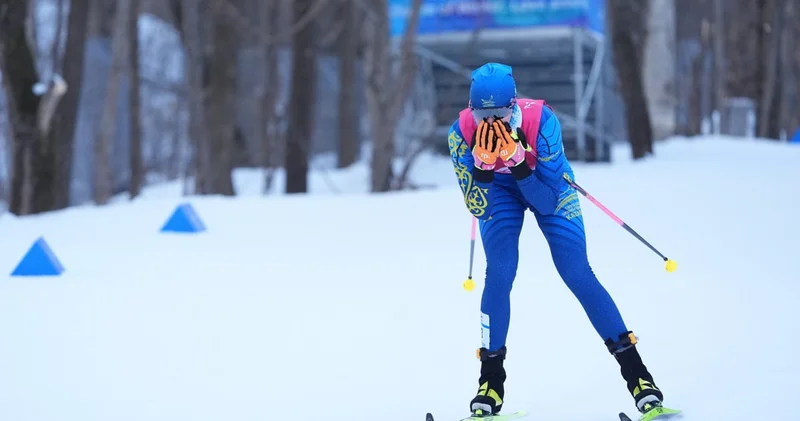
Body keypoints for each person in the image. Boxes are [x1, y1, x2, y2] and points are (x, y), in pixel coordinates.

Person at [446, 62, 672, 419]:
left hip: (545, 184)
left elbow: (547, 201)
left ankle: (641, 381)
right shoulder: (461, 133)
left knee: (576, 271)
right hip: (500, 192)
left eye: (501, 113)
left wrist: (520, 163)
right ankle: (489, 386)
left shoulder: (541, 122)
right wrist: (481, 170)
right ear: (472, 109)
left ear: (514, 105)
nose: (491, 123)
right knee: (500, 272)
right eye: (482, 114)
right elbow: (476, 204)